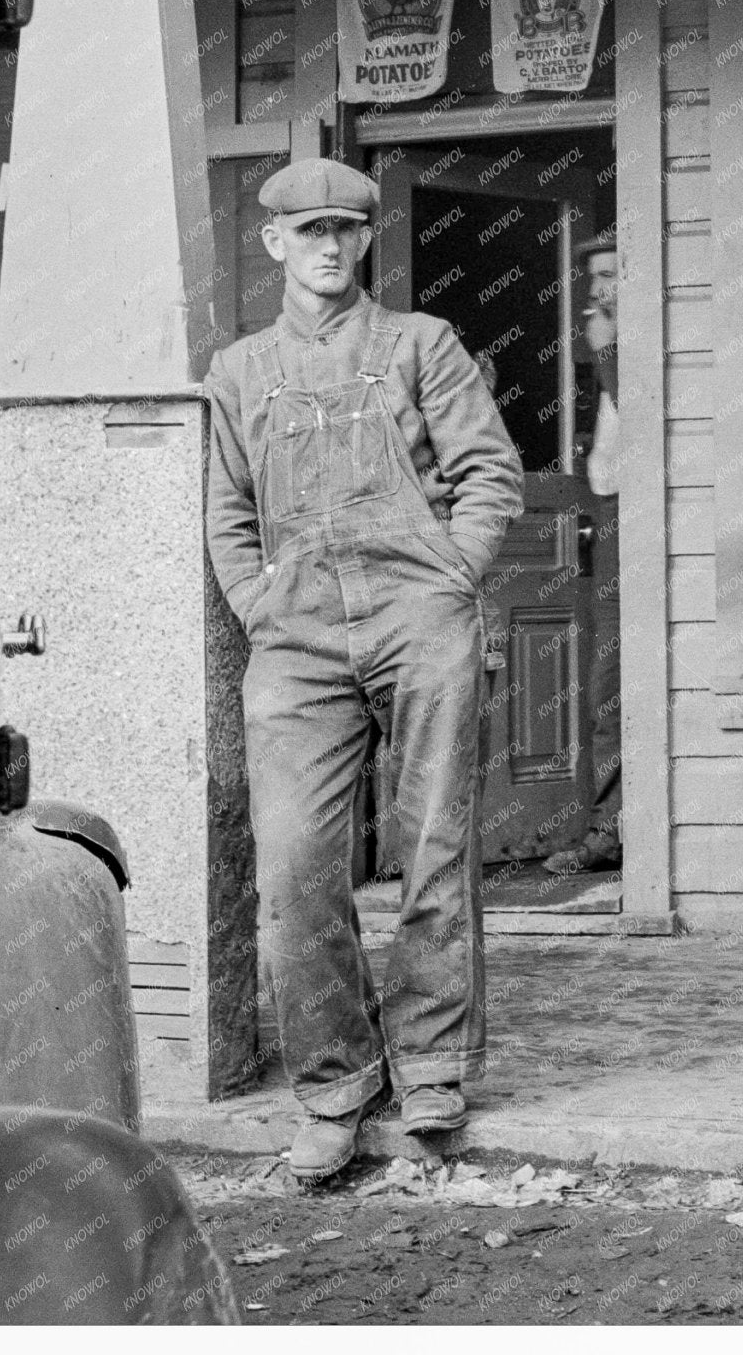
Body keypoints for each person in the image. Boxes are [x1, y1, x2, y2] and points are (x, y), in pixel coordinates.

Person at [205, 159, 523, 1183]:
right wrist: (261, 604)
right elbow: (226, 511)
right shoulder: (240, 370)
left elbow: (490, 471)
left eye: (345, 228)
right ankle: (336, 1083)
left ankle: (429, 1066)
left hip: (415, 615)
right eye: (309, 232)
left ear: (364, 238)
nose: (329, 247)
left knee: (434, 840)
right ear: (275, 244)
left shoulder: (420, 344)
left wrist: (448, 574)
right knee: (295, 859)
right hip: (297, 640)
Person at [544, 239, 623, 875]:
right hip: (605, 530)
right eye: (593, 276)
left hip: (635, 536)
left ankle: (612, 833)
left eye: (612, 275)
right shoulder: (601, 351)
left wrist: (606, 347)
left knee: (614, 688)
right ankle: (610, 829)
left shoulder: (624, 349)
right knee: (604, 688)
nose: (598, 290)